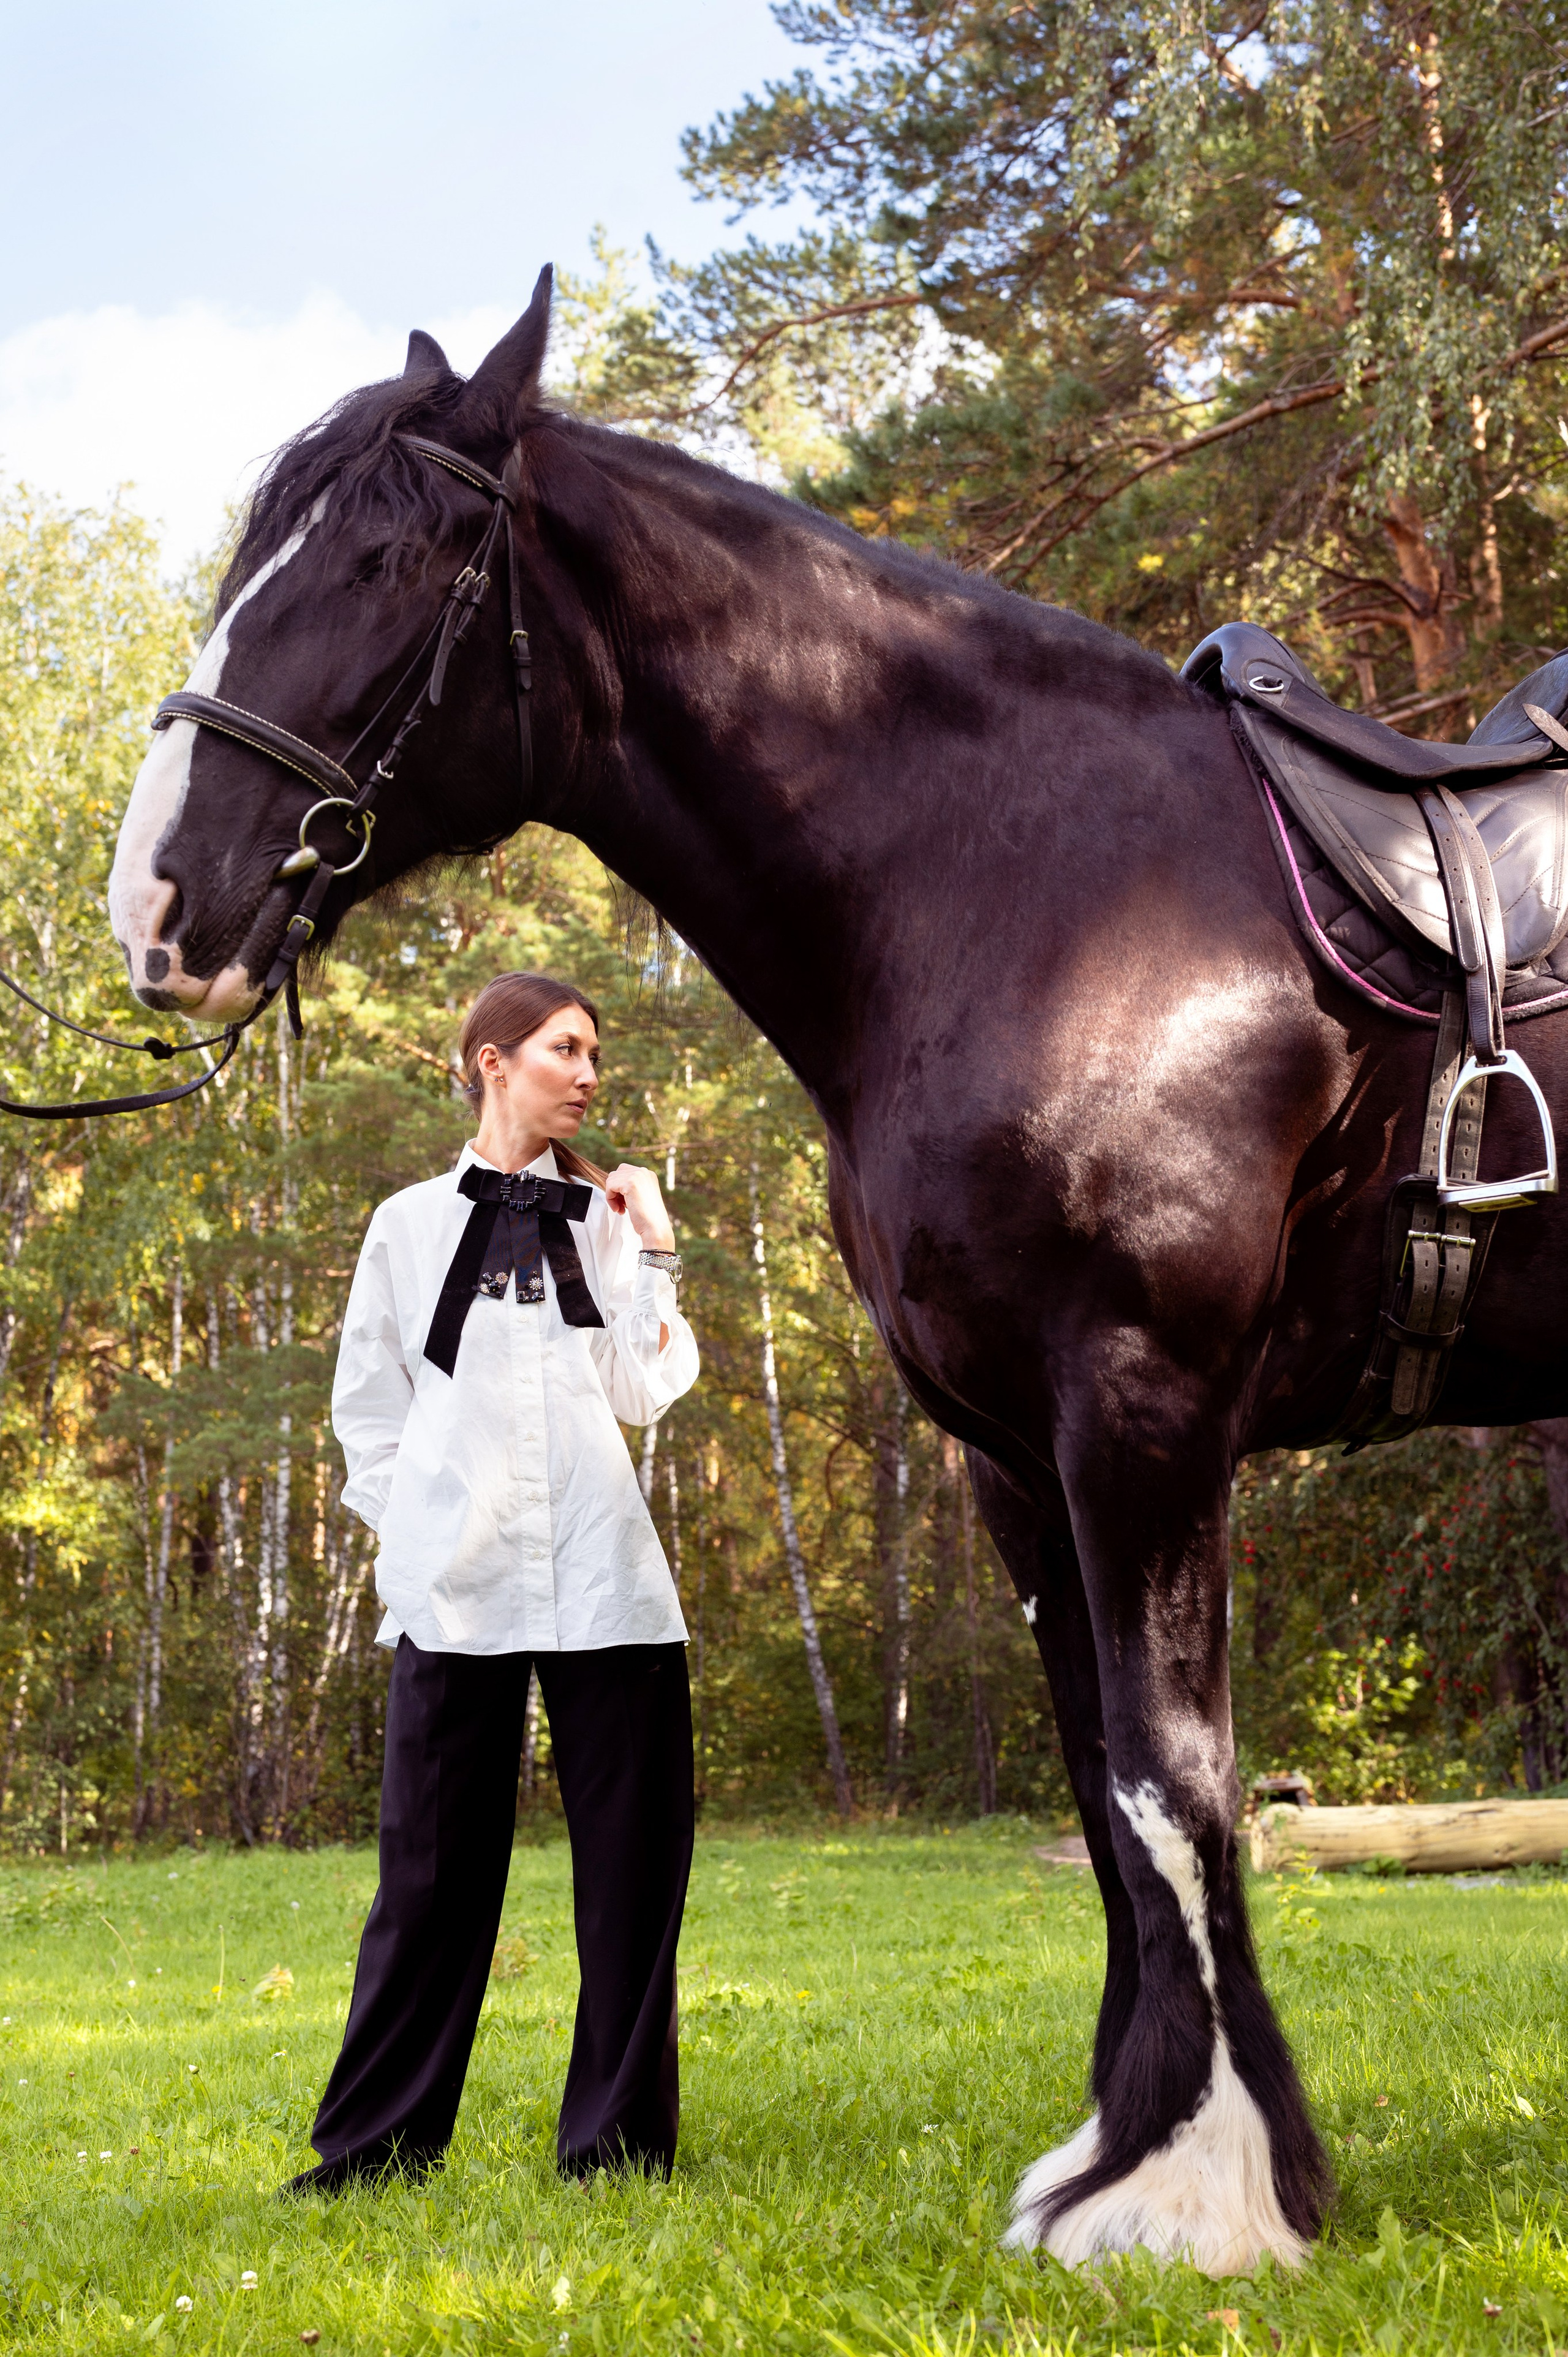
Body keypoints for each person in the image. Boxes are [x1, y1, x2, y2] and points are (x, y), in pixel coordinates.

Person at [288, 971, 699, 2192]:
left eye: (593, 1057)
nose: (585, 1075)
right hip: (452, 1594)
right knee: (424, 1885)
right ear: (489, 1061)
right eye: (564, 1050)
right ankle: (373, 2152)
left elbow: (643, 1393)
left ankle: (618, 2149)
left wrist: (657, 1250)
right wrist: (410, 1531)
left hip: (608, 1585)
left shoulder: (609, 1219)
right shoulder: (406, 1226)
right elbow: (367, 1409)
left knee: (631, 1880)